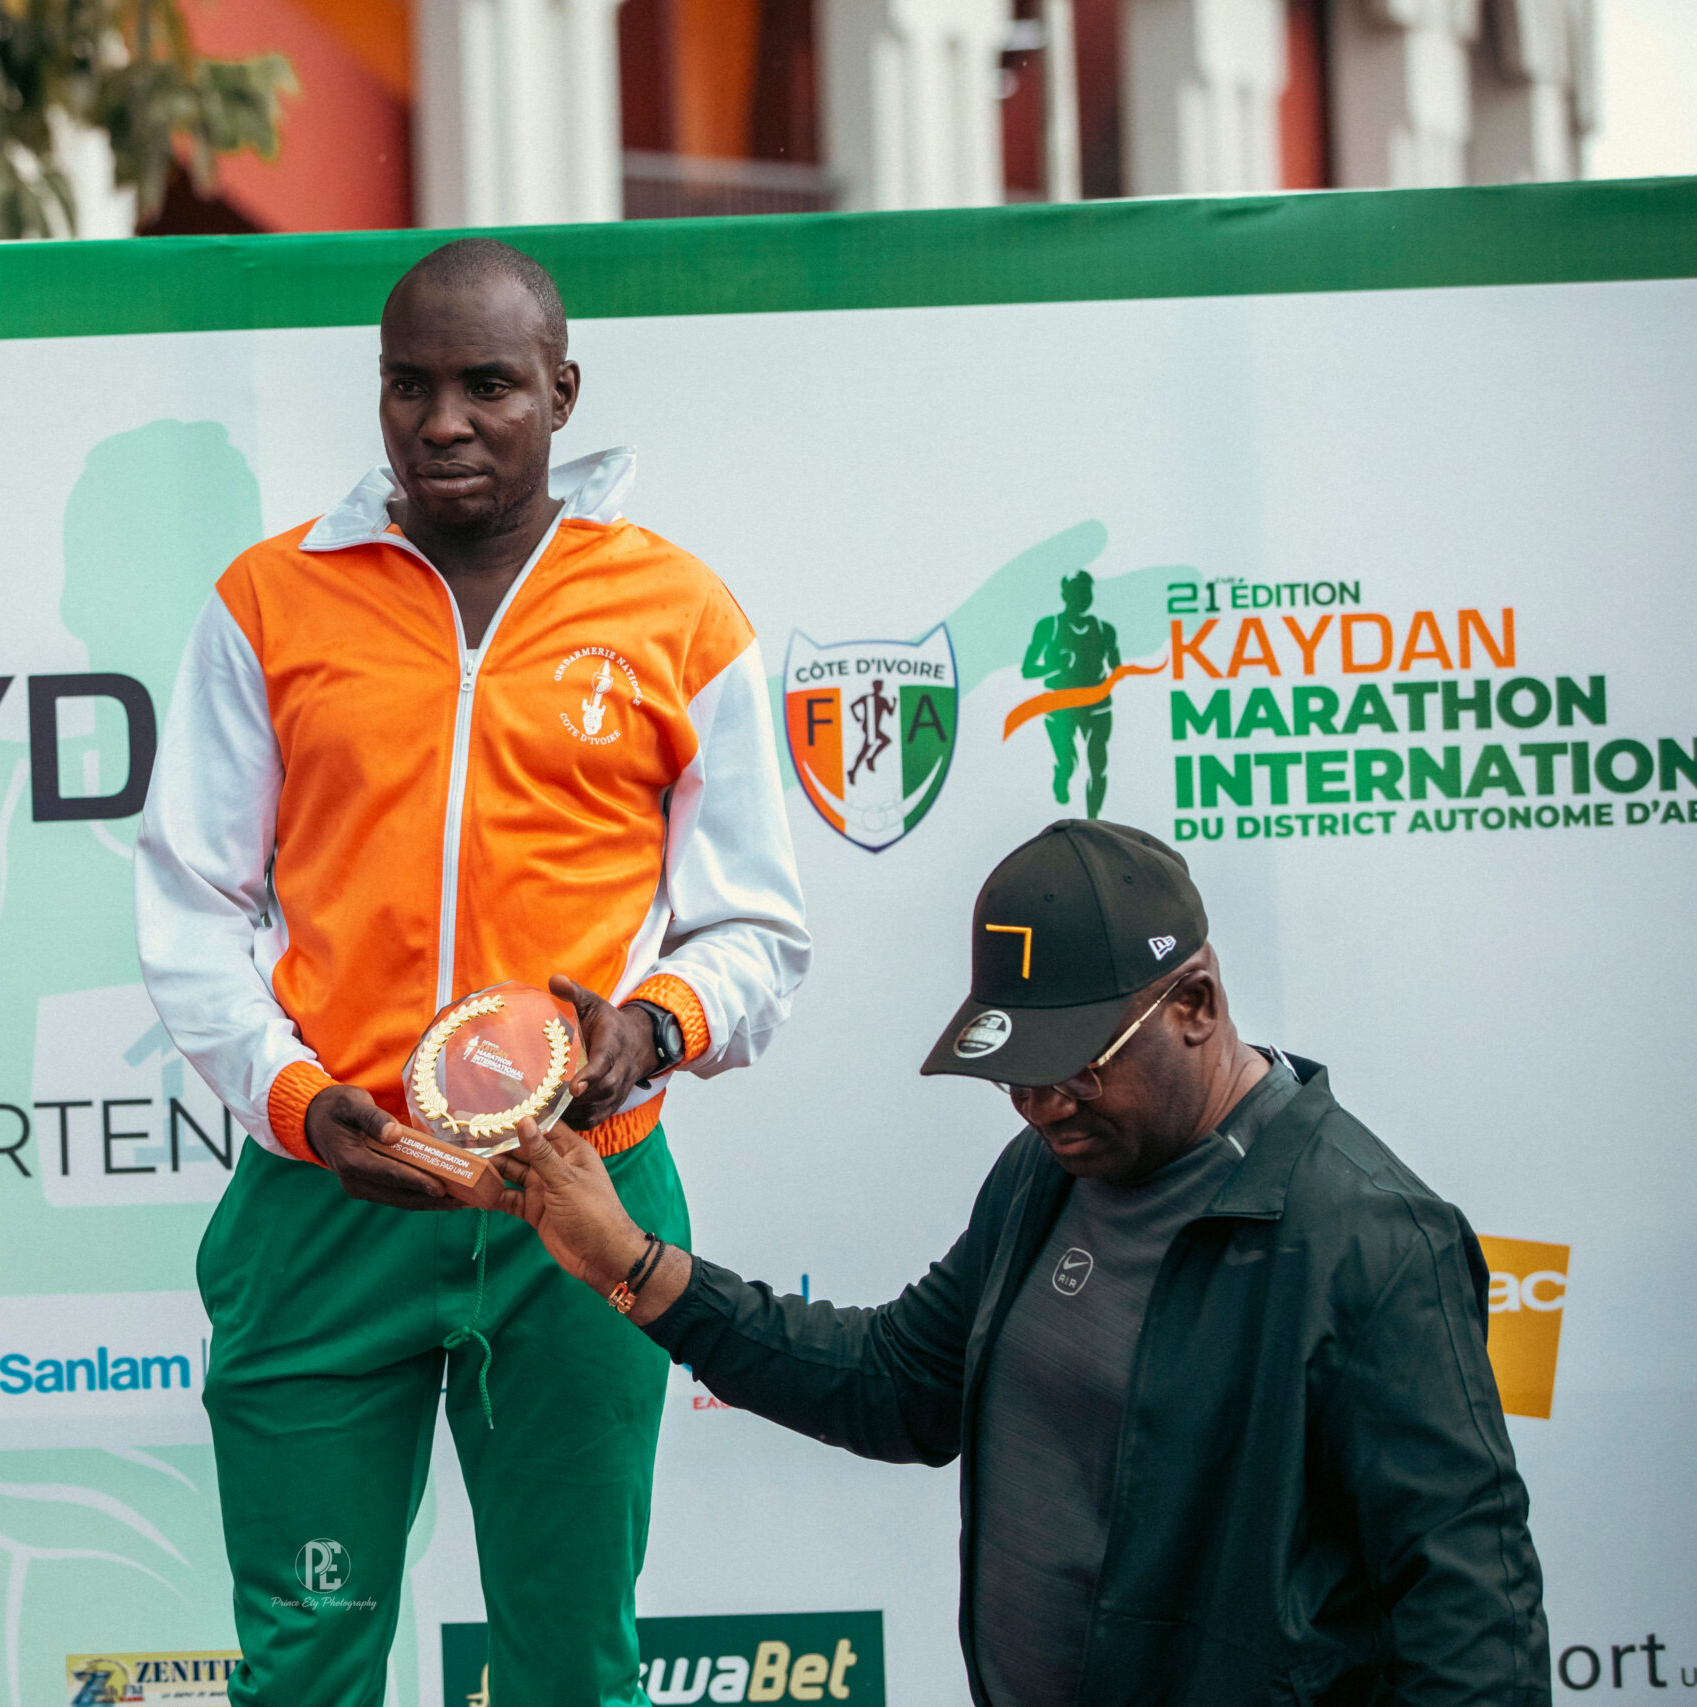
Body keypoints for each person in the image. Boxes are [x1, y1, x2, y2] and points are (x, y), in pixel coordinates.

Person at [134, 237, 811, 1706]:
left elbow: (756, 928)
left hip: (580, 1199)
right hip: (330, 1197)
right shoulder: (271, 600)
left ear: (562, 393)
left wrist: (653, 1026)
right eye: (410, 385)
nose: (442, 422)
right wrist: (297, 1101)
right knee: (303, 1665)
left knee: (572, 1666)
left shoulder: (675, 613)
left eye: (488, 386)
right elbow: (191, 905)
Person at [490, 819, 1550, 1706]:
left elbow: (1473, 1629)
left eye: (1074, 1069)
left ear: (1193, 1007)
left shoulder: (1370, 1242)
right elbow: (897, 1384)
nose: (1041, 1105)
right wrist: (631, 1263)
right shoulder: (1049, 1172)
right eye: (1013, 1076)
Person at [1022, 570, 1122, 816]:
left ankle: (1094, 821)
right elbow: (1027, 669)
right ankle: (1061, 777)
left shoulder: (1104, 629)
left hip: (1097, 706)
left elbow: (1117, 667)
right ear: (1065, 595)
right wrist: (1056, 666)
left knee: (1098, 765)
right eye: (1077, 592)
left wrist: (1108, 671)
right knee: (1069, 763)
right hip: (1061, 705)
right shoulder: (1049, 626)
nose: (1083, 598)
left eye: (1087, 592)